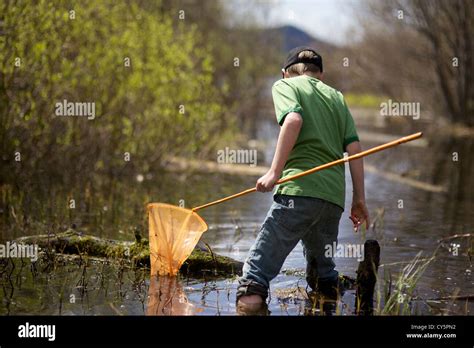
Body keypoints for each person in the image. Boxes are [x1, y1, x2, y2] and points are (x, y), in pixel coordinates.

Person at [236, 46, 370, 313]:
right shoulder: (336, 97)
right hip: (332, 199)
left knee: (254, 280)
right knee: (324, 278)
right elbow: (354, 149)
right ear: (319, 74)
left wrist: (274, 173)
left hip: (298, 191)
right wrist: (359, 199)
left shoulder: (286, 85)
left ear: (285, 73)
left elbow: (294, 120)